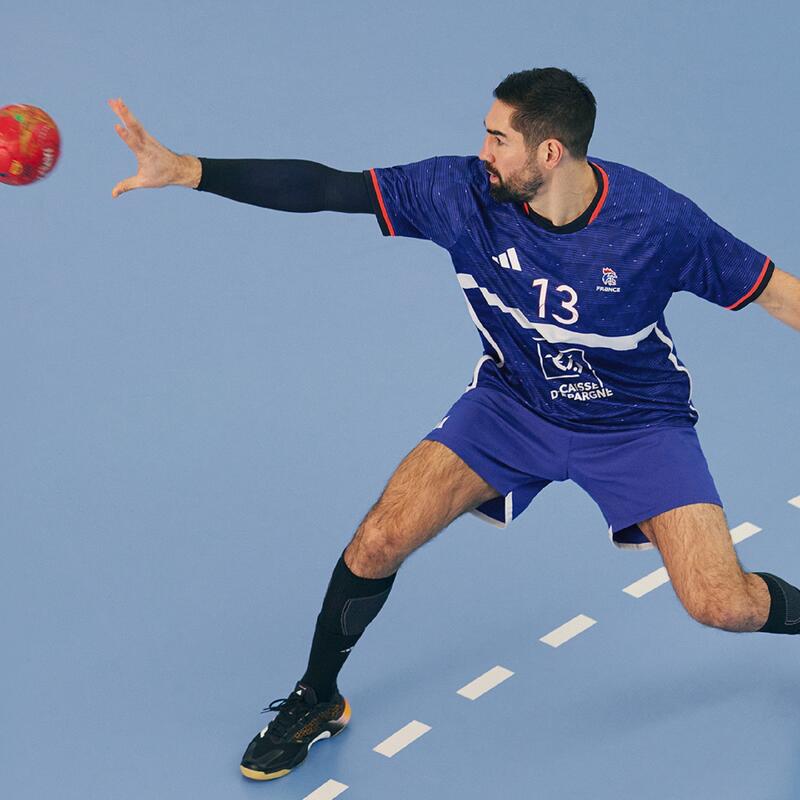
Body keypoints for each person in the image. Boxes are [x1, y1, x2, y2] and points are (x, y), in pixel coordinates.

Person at [108, 68, 800, 782]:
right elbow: (325, 188)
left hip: (635, 426)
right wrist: (187, 171)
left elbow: (779, 295)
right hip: (512, 405)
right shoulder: (460, 194)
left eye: (499, 138)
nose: (484, 151)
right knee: (379, 538)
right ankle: (317, 698)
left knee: (722, 603)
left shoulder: (657, 225)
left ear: (551, 153)